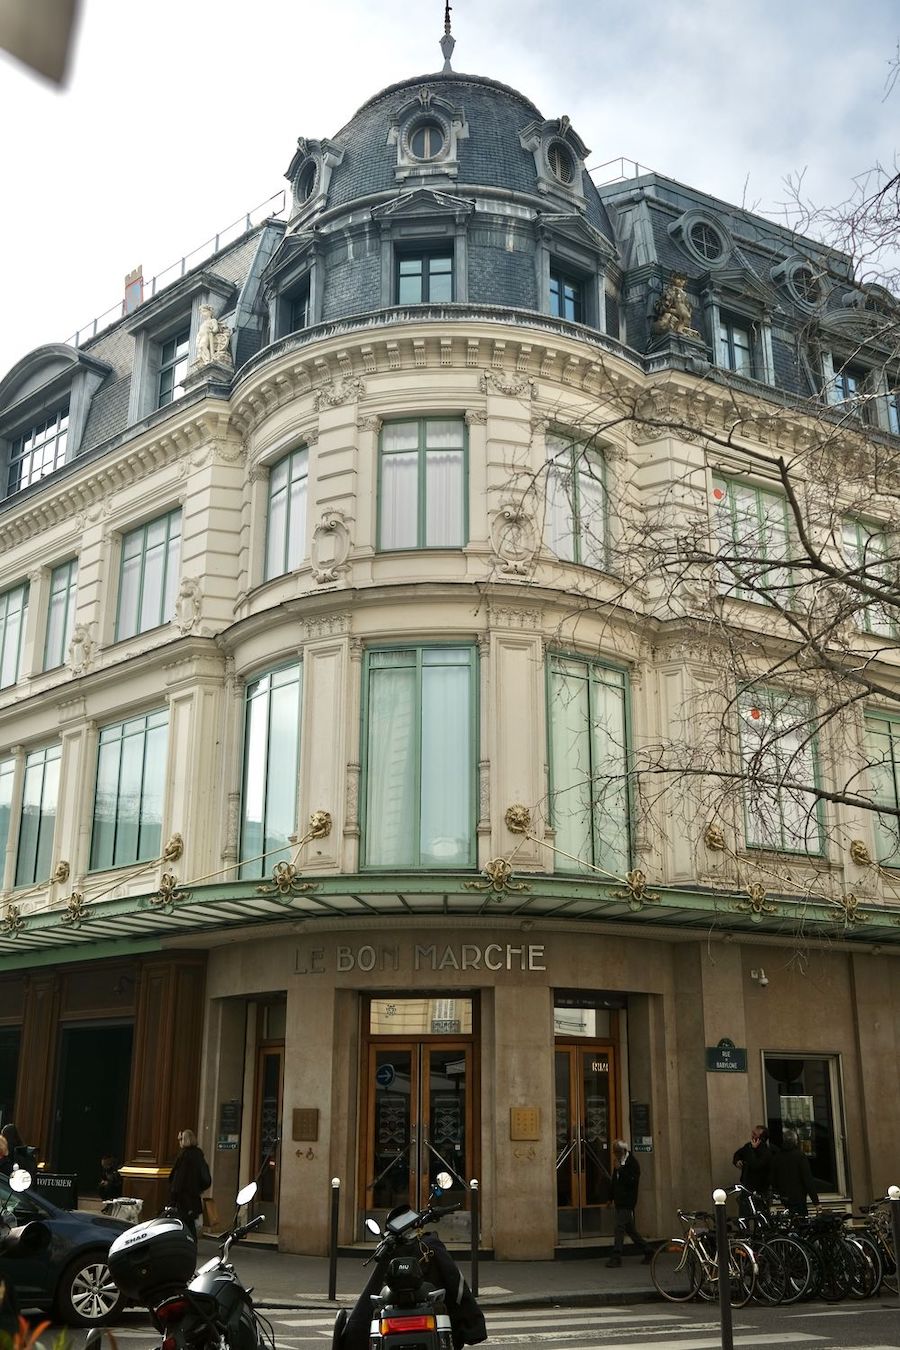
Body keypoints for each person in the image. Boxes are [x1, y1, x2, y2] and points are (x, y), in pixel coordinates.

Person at [606, 1139, 654, 1267]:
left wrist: (620, 1169)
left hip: (627, 1201)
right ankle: (648, 1250)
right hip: (619, 1201)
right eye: (614, 1151)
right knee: (631, 1230)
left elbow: (632, 1181)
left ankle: (616, 1257)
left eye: (617, 1151)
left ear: (623, 1151)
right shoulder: (618, 1163)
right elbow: (614, 1182)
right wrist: (610, 1198)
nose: (615, 1154)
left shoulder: (632, 1163)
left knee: (619, 1228)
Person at [168, 1129, 211, 1239]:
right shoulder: (198, 1155)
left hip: (184, 1197)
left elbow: (179, 1179)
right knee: (189, 1221)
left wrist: (173, 1198)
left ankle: (188, 1244)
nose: (179, 1142)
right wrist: (198, 1189)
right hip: (194, 1196)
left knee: (184, 1223)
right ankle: (191, 1243)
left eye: (181, 1139)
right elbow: (206, 1178)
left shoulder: (184, 1157)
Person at [772, 1129, 819, 1217]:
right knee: (802, 1222)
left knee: (790, 1219)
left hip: (784, 1196)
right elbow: (807, 1179)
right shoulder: (800, 1156)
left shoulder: (777, 1157)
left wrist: (777, 1192)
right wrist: (816, 1202)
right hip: (799, 1197)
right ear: (795, 1141)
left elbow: (773, 1178)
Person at [732, 1125, 776, 1215]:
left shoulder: (766, 1151)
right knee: (744, 1213)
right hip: (747, 1186)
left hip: (760, 1188)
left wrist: (752, 1150)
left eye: (754, 1134)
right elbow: (738, 1153)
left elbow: (755, 1164)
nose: (752, 1136)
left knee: (760, 1214)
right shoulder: (748, 1146)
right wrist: (737, 1160)